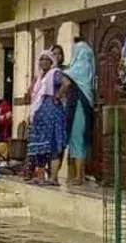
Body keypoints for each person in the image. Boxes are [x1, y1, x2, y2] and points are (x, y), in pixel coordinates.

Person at [57, 39, 96, 186]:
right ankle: (81, 173)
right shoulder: (89, 67)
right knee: (81, 139)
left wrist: (57, 95)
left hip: (78, 105)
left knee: (77, 138)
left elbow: (66, 79)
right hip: (85, 105)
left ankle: (79, 176)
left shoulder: (80, 67)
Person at [27, 50, 68, 186]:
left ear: (51, 62)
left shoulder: (54, 74)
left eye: (46, 59)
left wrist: (57, 96)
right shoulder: (40, 78)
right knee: (39, 147)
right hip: (39, 116)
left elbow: (66, 83)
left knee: (53, 145)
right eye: (41, 59)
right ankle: (40, 177)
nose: (43, 61)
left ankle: (53, 178)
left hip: (52, 115)